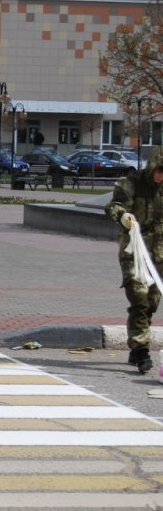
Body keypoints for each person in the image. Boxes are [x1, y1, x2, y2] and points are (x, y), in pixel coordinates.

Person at [104, 148, 163, 374]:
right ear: (152, 167)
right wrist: (123, 216)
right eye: (159, 171)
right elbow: (114, 206)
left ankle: (137, 343)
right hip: (134, 251)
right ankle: (141, 352)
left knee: (152, 302)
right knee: (139, 299)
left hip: (160, 253)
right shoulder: (131, 183)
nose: (161, 177)